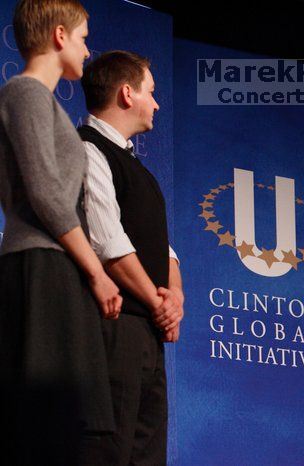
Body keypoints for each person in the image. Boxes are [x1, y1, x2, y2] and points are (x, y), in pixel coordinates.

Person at [0, 1, 122, 463]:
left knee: (73, 428)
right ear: (58, 35)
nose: (88, 50)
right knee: (46, 425)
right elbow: (46, 191)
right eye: (84, 37)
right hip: (40, 267)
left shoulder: (40, 100)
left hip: (57, 265)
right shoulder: (25, 92)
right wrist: (96, 270)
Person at [77, 50, 184, 464]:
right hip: (113, 326)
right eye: (151, 92)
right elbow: (108, 244)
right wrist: (160, 304)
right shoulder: (87, 150)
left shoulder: (138, 168)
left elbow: (164, 246)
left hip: (148, 334)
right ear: (127, 94)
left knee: (146, 453)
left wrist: (175, 295)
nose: (156, 103)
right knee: (109, 449)